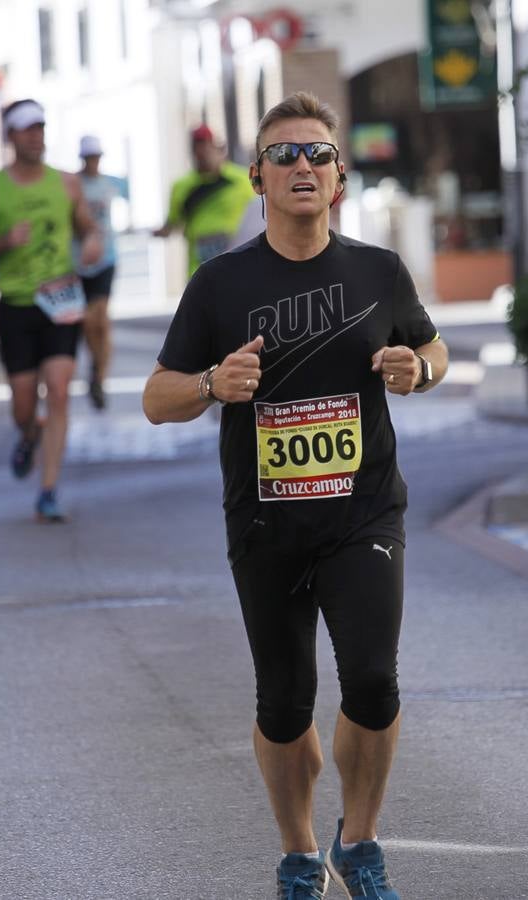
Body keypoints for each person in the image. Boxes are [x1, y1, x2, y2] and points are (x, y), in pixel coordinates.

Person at [143, 91, 448, 899]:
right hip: (265, 522)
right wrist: (211, 382)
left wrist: (417, 370)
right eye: (284, 155)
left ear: (340, 178)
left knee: (373, 683)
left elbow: (432, 347)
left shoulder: (379, 271)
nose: (302, 166)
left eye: (317, 154)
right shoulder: (219, 285)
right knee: (283, 703)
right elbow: (155, 395)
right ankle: (297, 852)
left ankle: (363, 841)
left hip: (364, 513)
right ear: (257, 178)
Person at [0, 99, 103, 522]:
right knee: (24, 405)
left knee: (59, 391)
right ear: (10, 137)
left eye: (40, 127)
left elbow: (86, 226)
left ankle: (48, 489)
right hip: (17, 306)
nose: (36, 136)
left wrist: (92, 240)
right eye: (26, 129)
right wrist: (1, 243)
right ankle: (29, 432)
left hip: (61, 300)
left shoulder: (67, 184)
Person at [153, 123, 256, 276]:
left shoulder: (242, 180)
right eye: (197, 147)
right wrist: (157, 232)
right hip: (200, 267)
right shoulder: (182, 186)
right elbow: (173, 222)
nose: (203, 152)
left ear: (218, 148)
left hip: (238, 263)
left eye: (207, 146)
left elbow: (261, 213)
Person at [73, 134, 128, 410]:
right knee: (87, 323)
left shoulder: (110, 183)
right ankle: (95, 364)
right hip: (78, 262)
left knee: (101, 319)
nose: (93, 163)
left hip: (106, 259)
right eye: (88, 158)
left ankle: (100, 377)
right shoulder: (73, 185)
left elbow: (132, 193)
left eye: (96, 157)